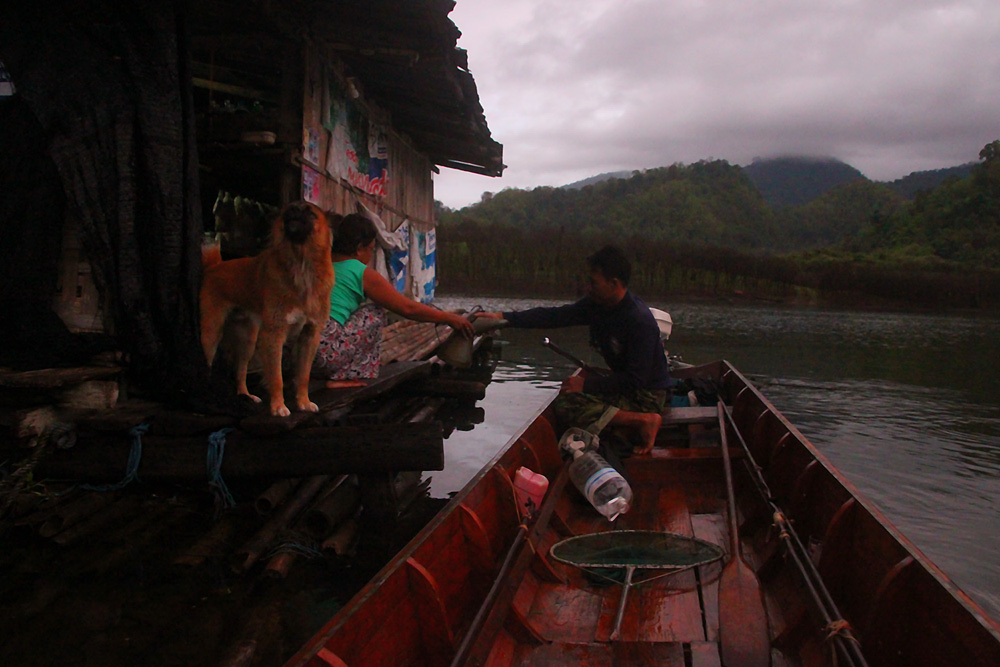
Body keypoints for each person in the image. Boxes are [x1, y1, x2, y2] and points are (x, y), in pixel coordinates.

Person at [480, 245, 670, 455]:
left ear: (614, 283)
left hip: (646, 396)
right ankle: (620, 425)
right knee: (569, 394)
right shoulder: (598, 305)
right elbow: (555, 316)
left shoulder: (637, 320)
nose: (588, 287)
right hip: (626, 386)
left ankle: (643, 420)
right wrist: (504, 318)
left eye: (593, 283)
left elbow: (636, 380)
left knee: (568, 403)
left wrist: (586, 384)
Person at [313, 213, 474, 386]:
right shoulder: (359, 271)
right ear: (360, 248)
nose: (370, 256)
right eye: (371, 249)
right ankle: (345, 375)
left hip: (301, 357)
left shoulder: (318, 265)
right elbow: (407, 308)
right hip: (325, 356)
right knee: (374, 312)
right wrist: (448, 317)